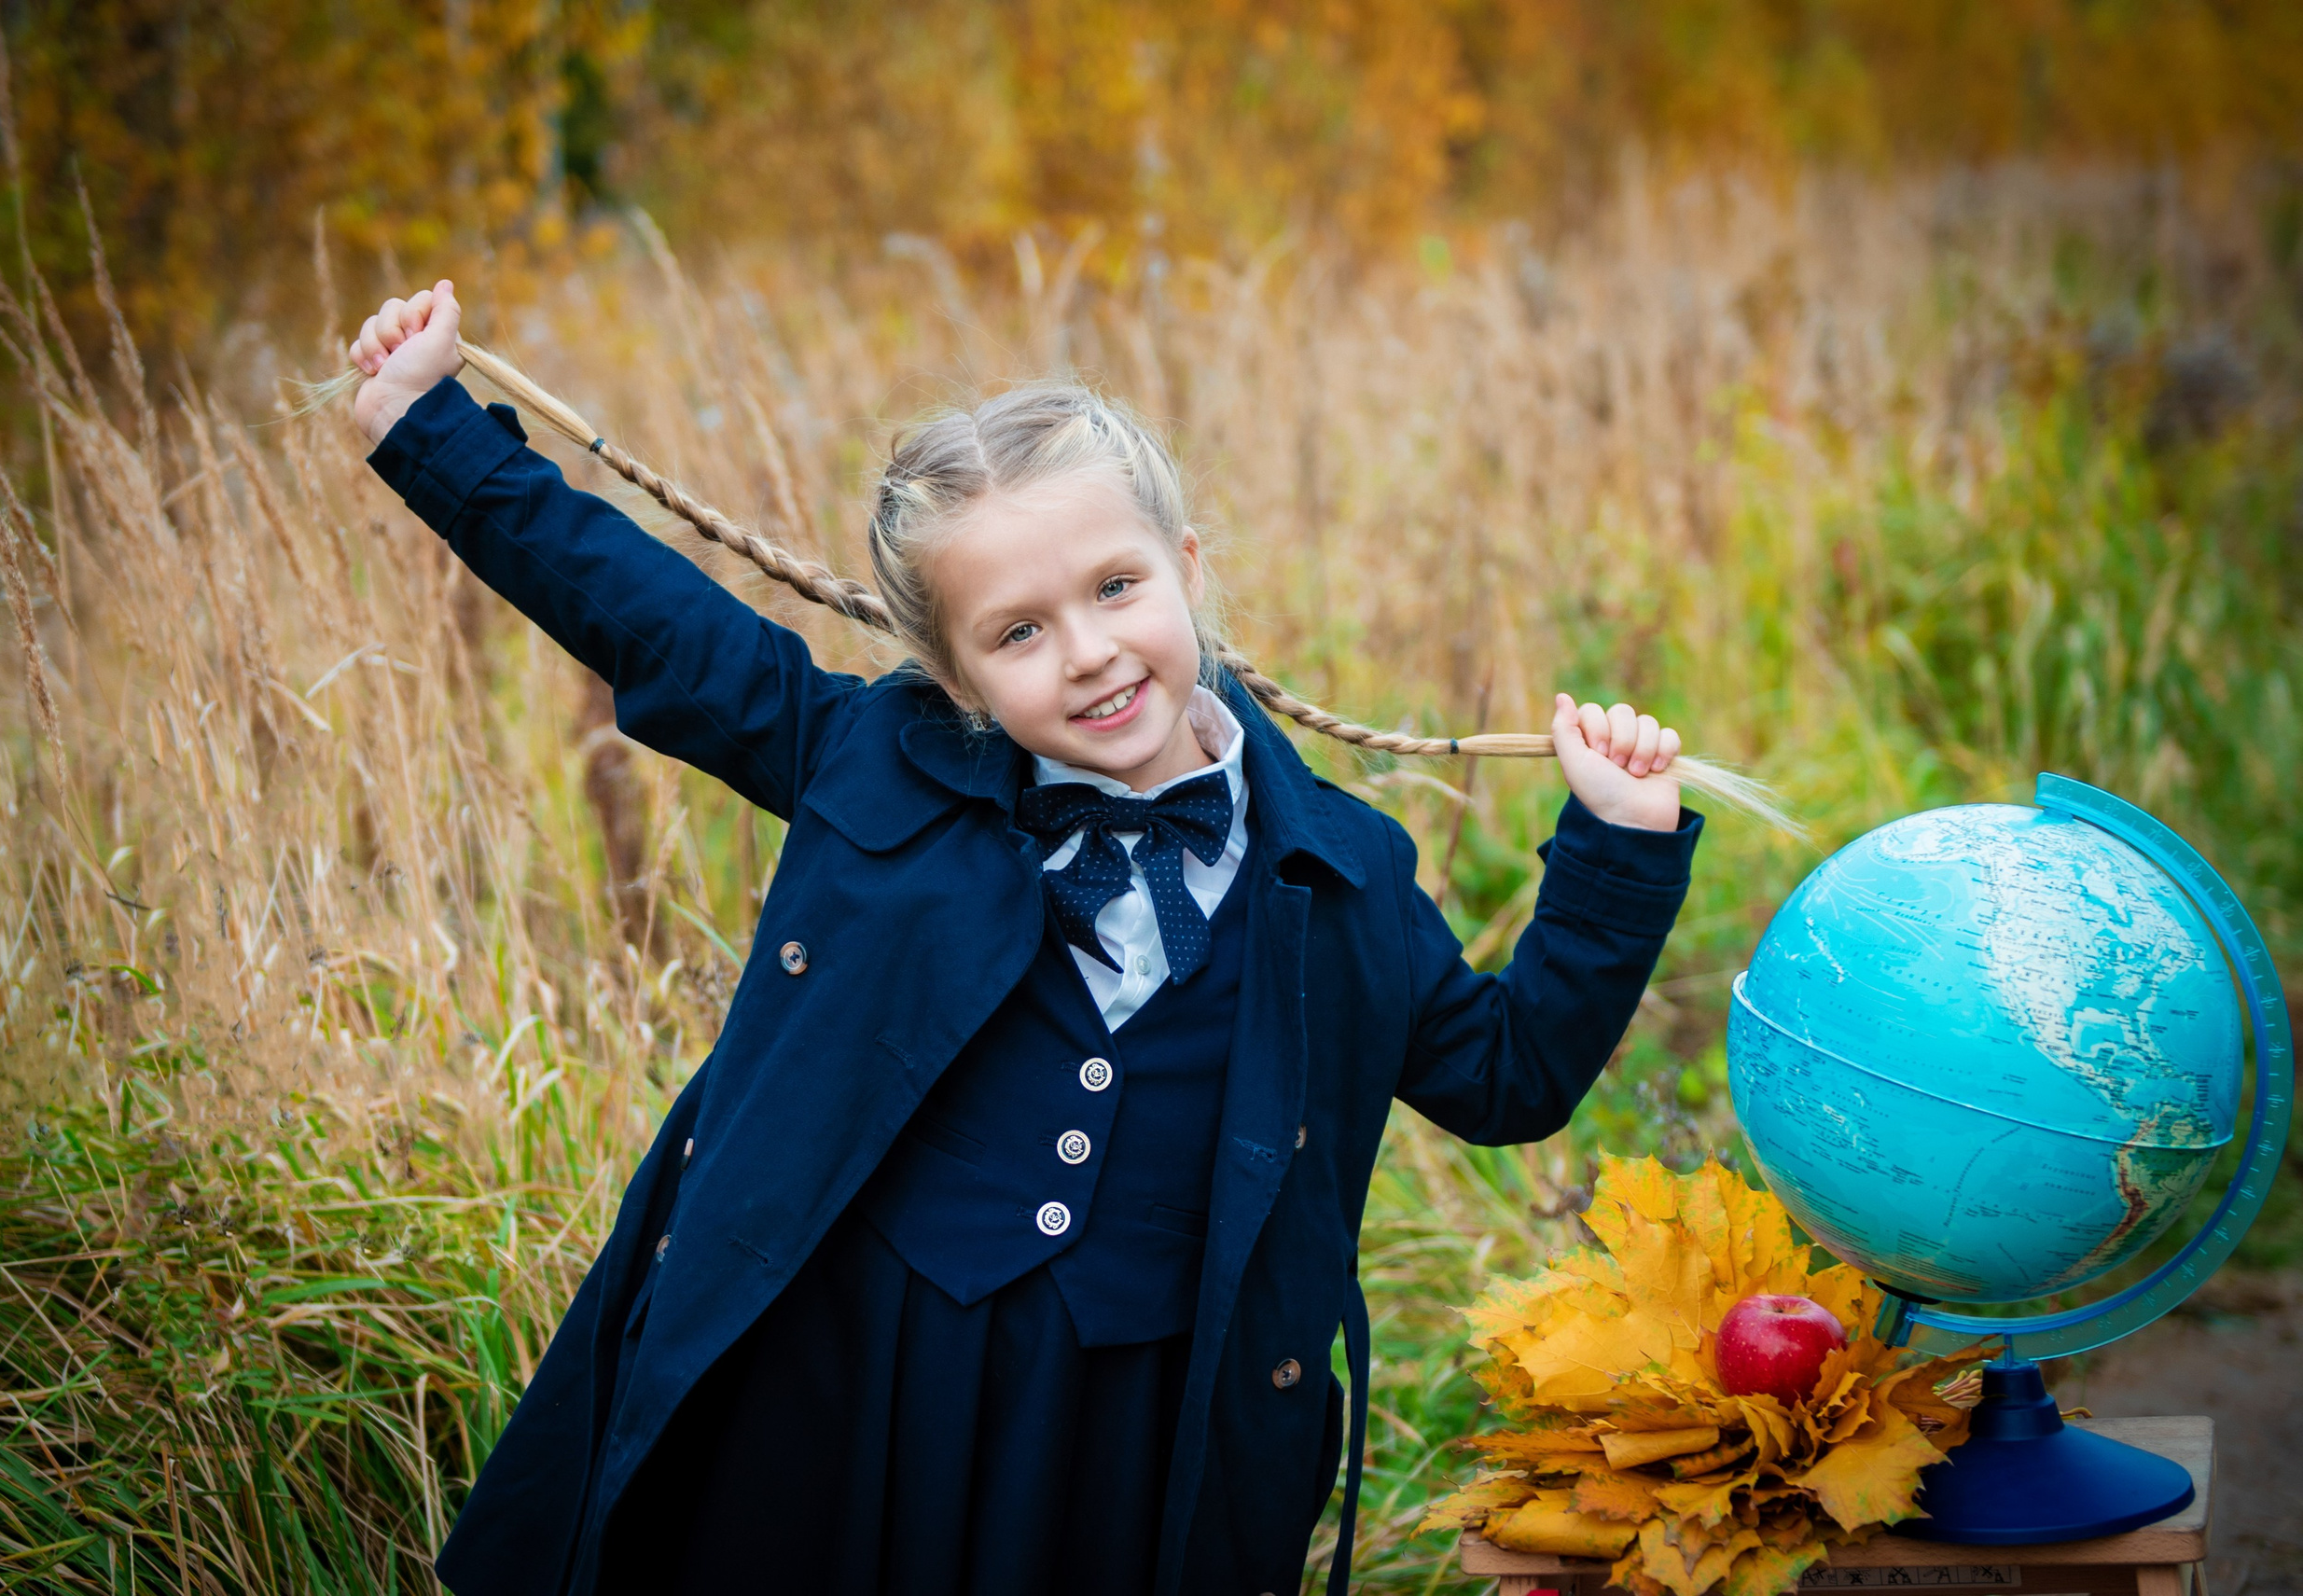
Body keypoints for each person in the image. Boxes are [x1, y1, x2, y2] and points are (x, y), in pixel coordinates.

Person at [348, 280, 1701, 1596]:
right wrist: (431, 426)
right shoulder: (871, 764)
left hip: (1131, 1436)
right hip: (851, 1384)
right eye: (1019, 631)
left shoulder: (1341, 875)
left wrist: (1620, 847)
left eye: (1117, 588)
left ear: (1186, 567)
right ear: (954, 673)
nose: (1090, 654)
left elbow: (1507, 1075)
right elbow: (651, 622)